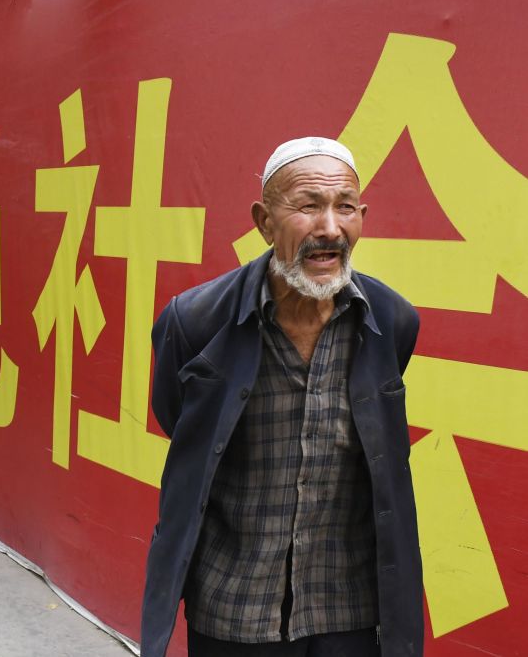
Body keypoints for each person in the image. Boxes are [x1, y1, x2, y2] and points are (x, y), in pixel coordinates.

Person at [140, 137, 423, 657]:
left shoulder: (391, 321)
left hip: (348, 607)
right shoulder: (196, 322)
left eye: (345, 208)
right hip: (234, 603)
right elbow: (180, 423)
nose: (330, 229)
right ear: (264, 221)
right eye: (308, 207)